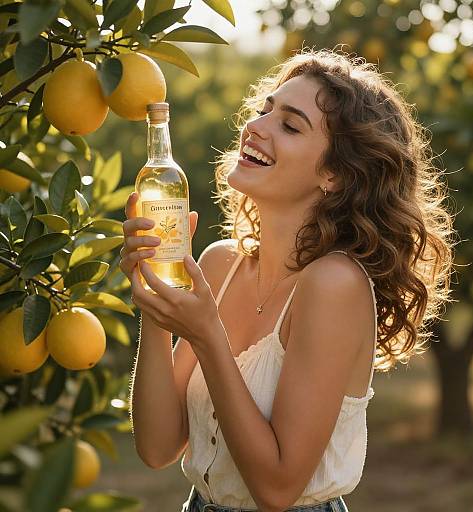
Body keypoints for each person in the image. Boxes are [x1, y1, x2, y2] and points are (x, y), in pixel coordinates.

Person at [120, 48, 455, 512]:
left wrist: (207, 335)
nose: (256, 127)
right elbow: (157, 449)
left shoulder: (333, 284)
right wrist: (157, 298)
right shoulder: (220, 264)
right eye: (265, 110)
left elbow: (277, 489)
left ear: (334, 173)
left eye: (290, 125)